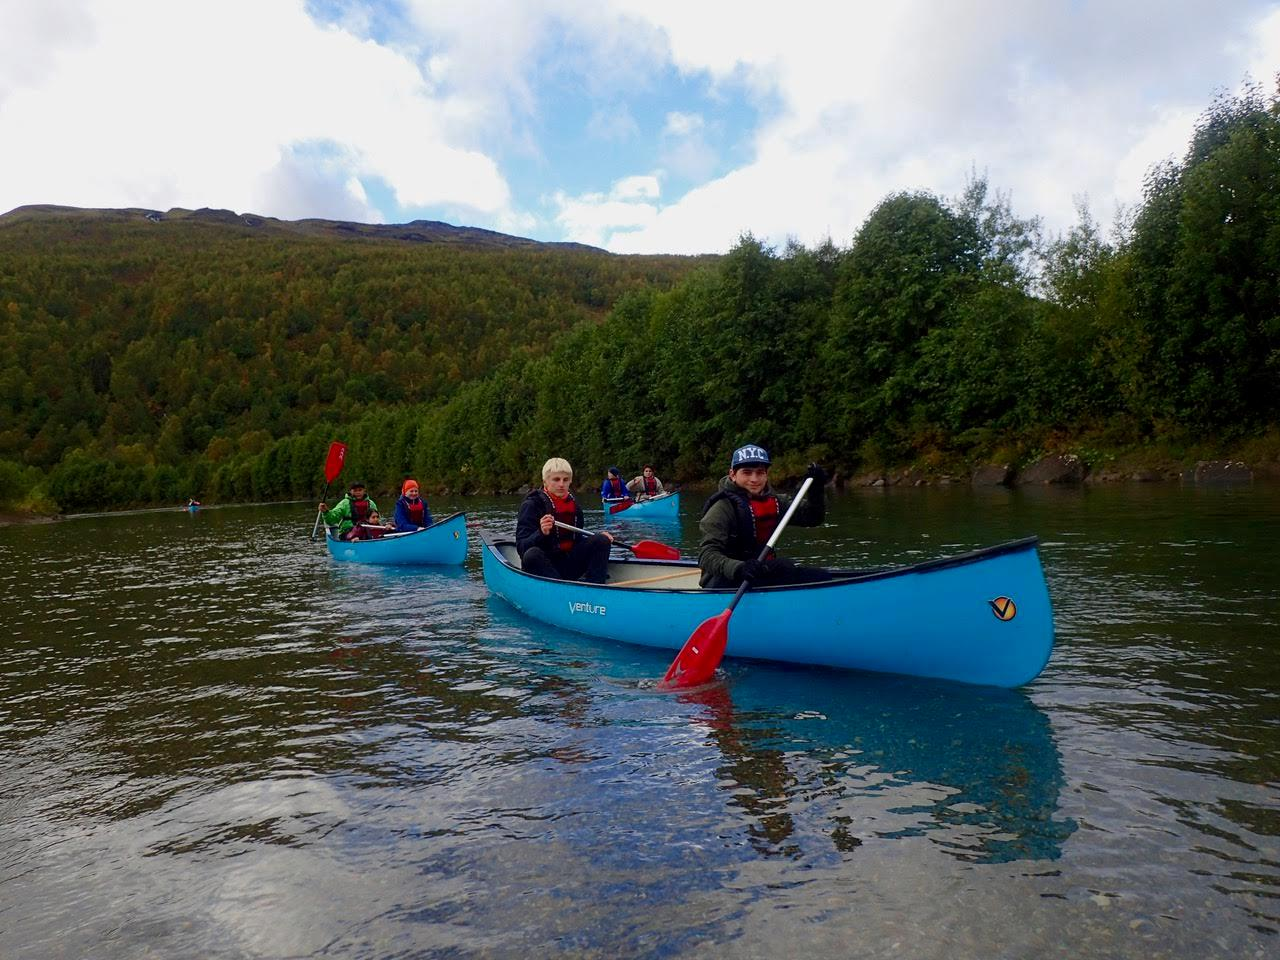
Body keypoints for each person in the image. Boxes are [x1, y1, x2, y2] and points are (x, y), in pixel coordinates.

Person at [698, 444, 830, 589]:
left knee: (819, 576)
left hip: (760, 572)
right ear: (733, 475)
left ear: (766, 475)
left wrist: (816, 488)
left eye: (760, 472)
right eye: (747, 473)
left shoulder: (777, 501)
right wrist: (740, 568)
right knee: (784, 567)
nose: (754, 479)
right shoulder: (721, 508)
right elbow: (706, 556)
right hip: (726, 580)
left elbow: (813, 518)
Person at [519, 458, 614, 583]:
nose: (561, 484)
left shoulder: (574, 507)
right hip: (542, 567)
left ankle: (596, 588)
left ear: (570, 481)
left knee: (601, 540)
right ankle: (561, 592)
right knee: (532, 554)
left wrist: (598, 538)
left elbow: (576, 540)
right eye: (556, 479)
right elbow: (521, 548)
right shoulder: (532, 505)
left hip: (566, 565)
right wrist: (541, 533)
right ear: (545, 482)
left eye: (565, 480)